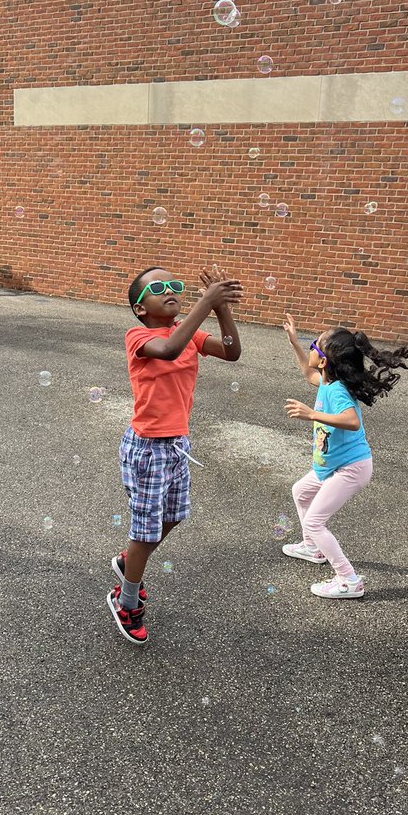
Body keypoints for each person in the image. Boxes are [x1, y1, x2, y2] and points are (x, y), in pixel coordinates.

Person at [108, 264, 242, 645]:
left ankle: (126, 561)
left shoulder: (191, 334)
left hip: (178, 445)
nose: (170, 290)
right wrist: (206, 300)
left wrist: (220, 309)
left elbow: (232, 353)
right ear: (140, 307)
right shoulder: (138, 335)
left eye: (174, 285)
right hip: (148, 448)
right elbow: (167, 350)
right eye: (158, 287)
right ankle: (127, 601)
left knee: (174, 516)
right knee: (146, 529)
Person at [281, 314, 408, 598]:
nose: (310, 349)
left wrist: (312, 414)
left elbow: (351, 421)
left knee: (316, 520)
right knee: (301, 492)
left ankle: (348, 578)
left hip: (350, 468)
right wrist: (294, 342)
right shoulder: (328, 383)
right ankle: (312, 547)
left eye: (313, 347)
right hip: (332, 465)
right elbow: (308, 373)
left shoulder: (337, 391)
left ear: (325, 361)